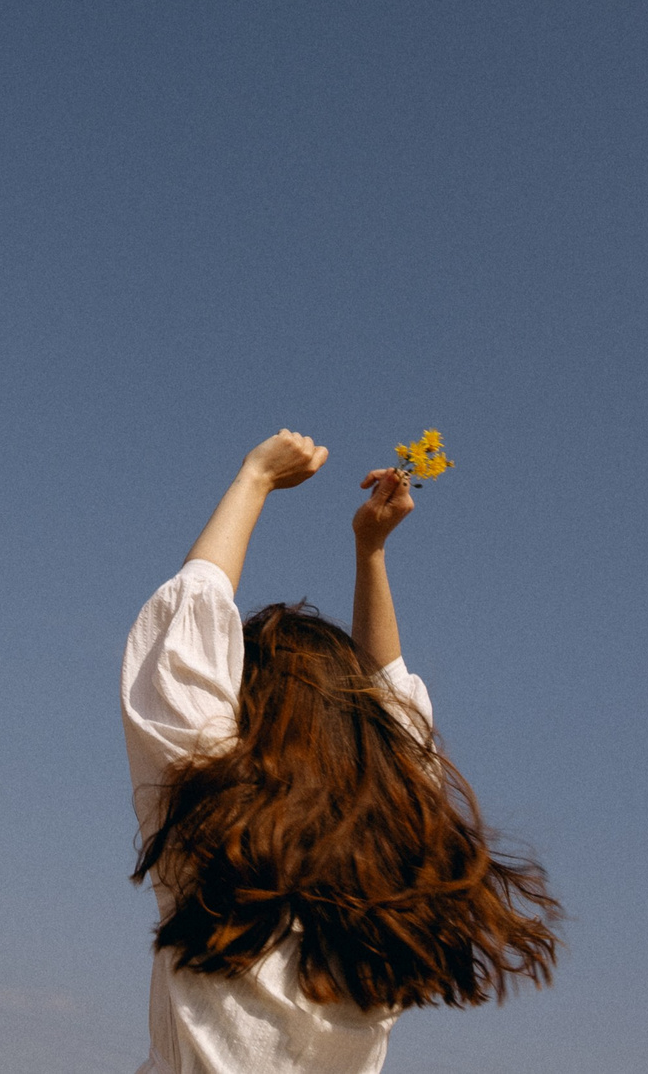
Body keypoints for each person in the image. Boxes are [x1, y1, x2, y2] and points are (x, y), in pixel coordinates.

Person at [121, 429, 560, 1074]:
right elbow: (397, 721)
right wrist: (370, 552)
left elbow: (187, 636)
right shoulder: (387, 891)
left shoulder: (214, 843)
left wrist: (255, 479)